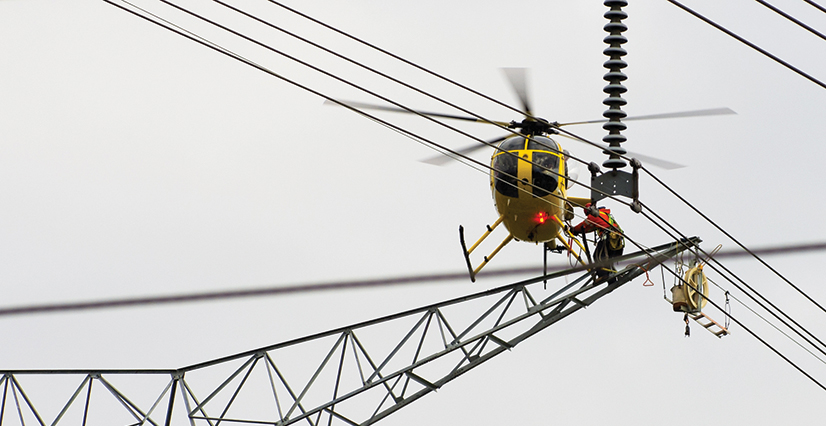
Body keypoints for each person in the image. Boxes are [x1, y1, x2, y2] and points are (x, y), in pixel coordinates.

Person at [570, 204, 625, 282]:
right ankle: (611, 280)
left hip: (608, 239)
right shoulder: (605, 215)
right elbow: (589, 228)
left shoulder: (594, 215)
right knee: (608, 261)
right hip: (617, 241)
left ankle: (603, 276)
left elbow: (585, 225)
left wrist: (574, 229)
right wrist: (577, 231)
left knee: (597, 257)